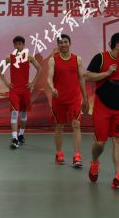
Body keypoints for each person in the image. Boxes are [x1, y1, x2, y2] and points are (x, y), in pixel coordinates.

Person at [84, 32, 119, 191]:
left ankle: (118, 177)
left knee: (118, 140)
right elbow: (87, 76)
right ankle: (95, 162)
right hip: (102, 106)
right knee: (100, 143)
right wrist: (107, 73)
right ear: (118, 45)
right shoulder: (100, 58)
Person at [46, 34, 88, 167]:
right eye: (60, 43)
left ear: (70, 43)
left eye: (65, 42)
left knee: (76, 125)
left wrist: (85, 97)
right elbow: (49, 77)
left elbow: (81, 79)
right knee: (59, 126)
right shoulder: (53, 60)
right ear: (58, 45)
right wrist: (52, 88)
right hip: (58, 99)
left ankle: (77, 156)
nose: (63, 44)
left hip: (74, 98)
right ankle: (59, 153)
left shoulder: (77, 59)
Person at [0, 35, 42, 149]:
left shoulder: (29, 56)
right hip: (14, 90)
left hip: (25, 90)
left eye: (20, 44)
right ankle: (14, 138)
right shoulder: (9, 57)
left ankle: (21, 135)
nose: (18, 46)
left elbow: (40, 69)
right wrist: (6, 83)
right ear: (14, 45)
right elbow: (0, 70)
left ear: (23, 45)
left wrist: (33, 83)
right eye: (16, 44)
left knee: (23, 114)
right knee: (14, 113)